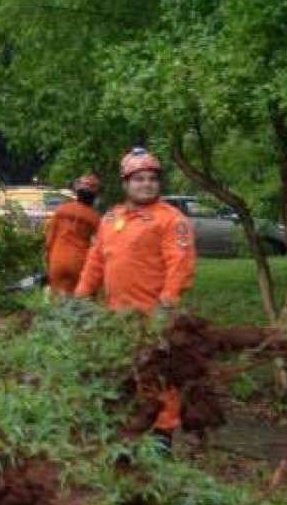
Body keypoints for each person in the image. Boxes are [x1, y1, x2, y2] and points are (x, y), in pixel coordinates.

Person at [74, 148, 196, 440]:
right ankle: (124, 440)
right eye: (139, 179)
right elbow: (95, 261)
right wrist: (78, 299)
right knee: (121, 378)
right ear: (126, 183)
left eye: (152, 178)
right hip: (116, 318)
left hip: (153, 318)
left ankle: (161, 441)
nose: (146, 184)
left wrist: (166, 307)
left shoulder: (171, 220)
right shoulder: (111, 218)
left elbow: (180, 265)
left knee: (157, 382)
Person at [43, 174, 102, 294]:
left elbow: (49, 239)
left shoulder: (62, 210)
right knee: (77, 303)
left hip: (57, 260)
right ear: (95, 196)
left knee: (58, 301)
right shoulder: (95, 218)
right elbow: (99, 245)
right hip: (80, 263)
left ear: (77, 192)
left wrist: (48, 260)